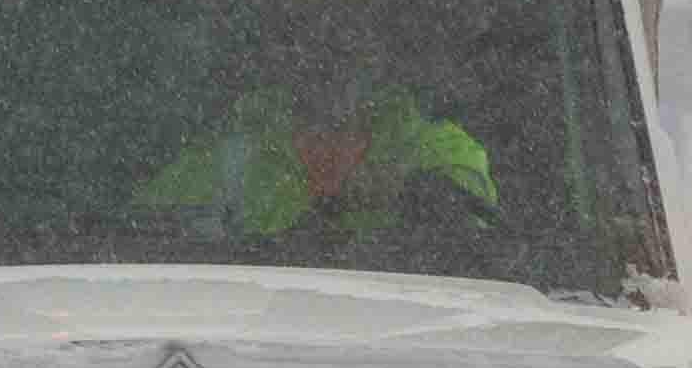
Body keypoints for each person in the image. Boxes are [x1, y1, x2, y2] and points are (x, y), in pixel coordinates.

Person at [131, 77, 495, 245]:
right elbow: (142, 238)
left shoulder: (428, 146)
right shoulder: (227, 158)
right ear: (286, 49)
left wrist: (413, 191)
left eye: (346, 28)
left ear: (375, 52)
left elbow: (476, 222)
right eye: (313, 25)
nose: (331, 49)